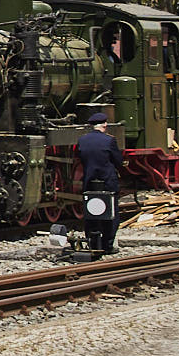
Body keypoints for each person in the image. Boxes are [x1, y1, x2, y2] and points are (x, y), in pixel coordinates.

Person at [74, 106, 122, 254]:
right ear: (105, 125)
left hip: (89, 180)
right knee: (110, 213)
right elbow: (118, 161)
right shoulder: (109, 141)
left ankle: (93, 242)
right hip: (107, 181)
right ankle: (107, 245)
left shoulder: (82, 140)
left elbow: (79, 157)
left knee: (91, 212)